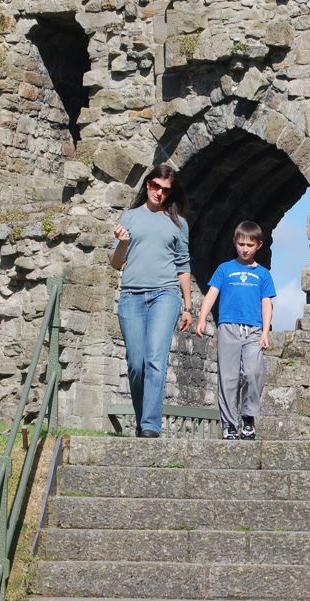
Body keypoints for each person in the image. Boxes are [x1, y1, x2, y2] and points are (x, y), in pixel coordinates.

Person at [109, 164, 193, 438]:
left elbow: (183, 264)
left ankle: (150, 426)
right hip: (132, 296)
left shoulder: (178, 224)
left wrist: (188, 306)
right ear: (147, 185)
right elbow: (115, 263)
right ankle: (141, 416)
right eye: (155, 186)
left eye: (165, 189)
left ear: (171, 193)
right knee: (136, 363)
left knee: (156, 359)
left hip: (165, 295)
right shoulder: (130, 218)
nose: (159, 192)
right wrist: (122, 242)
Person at [194, 221, 275, 440]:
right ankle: (229, 424)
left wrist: (266, 331)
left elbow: (267, 303)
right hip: (228, 327)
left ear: (259, 245)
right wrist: (202, 318)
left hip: (254, 330)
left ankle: (248, 418)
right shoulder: (225, 269)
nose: (245, 248)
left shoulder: (263, 274)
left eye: (250, 244)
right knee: (228, 378)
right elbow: (211, 294)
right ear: (234, 243)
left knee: (253, 371)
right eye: (241, 244)